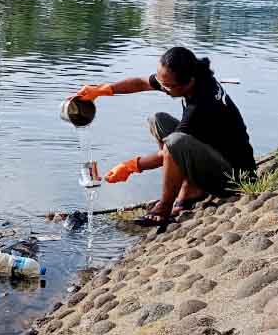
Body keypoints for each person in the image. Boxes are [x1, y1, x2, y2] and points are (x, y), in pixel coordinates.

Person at [76, 46, 256, 227]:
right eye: (162, 83)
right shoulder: (192, 76)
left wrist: (131, 166)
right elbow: (140, 82)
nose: (162, 88)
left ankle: (165, 207)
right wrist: (101, 90)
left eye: (167, 86)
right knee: (158, 120)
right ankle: (190, 188)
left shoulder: (202, 105)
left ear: (187, 82)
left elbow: (170, 150)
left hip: (234, 177)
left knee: (174, 142)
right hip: (212, 152)